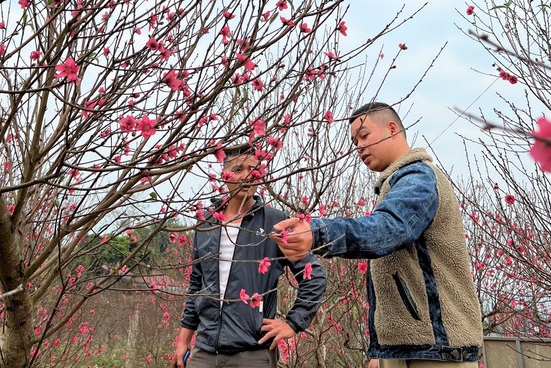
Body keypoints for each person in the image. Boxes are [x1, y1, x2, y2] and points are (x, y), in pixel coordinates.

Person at [271, 102, 483, 368]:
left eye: (364, 135)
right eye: (354, 141)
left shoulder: (419, 177)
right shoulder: (395, 184)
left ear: (391, 128)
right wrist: (382, 351)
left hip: (437, 347)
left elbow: (387, 229)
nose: (358, 146)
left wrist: (318, 232)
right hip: (406, 348)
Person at [171, 146, 326, 368]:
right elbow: (197, 284)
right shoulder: (207, 222)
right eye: (238, 169)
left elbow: (314, 276)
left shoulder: (275, 223)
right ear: (224, 174)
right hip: (204, 351)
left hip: (252, 353)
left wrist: (292, 323)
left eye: (253, 169)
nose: (246, 175)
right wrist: (184, 340)